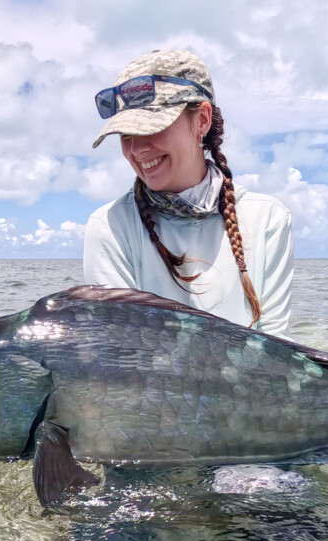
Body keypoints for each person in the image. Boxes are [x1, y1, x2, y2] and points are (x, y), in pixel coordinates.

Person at [83, 49, 295, 338]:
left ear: (202, 120)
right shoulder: (110, 227)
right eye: (126, 136)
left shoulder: (268, 218)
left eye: (152, 128)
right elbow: (125, 351)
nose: (136, 150)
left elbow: (277, 348)